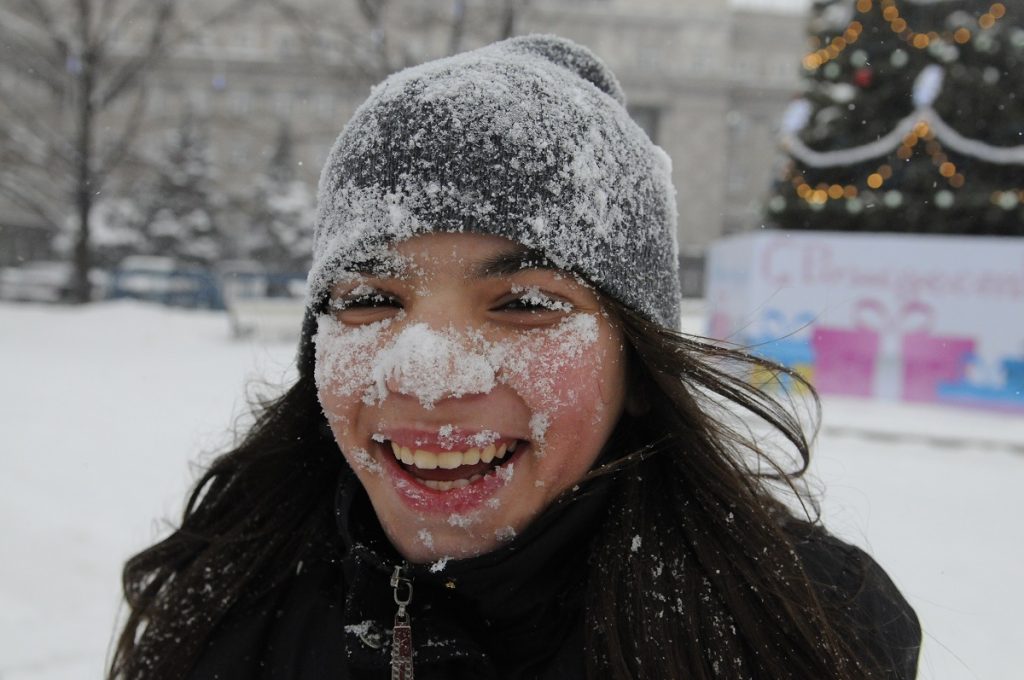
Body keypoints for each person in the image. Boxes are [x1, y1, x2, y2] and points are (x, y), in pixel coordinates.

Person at [109, 35, 921, 680]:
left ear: (636, 367)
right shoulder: (221, 601)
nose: (426, 372)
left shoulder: (804, 634)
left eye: (526, 305)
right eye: (372, 300)